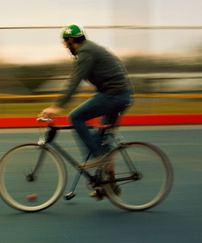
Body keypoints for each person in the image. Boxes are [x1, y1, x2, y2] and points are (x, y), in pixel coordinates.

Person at [40, 25, 133, 170]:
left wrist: (56, 106)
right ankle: (109, 185)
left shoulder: (85, 52)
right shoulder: (90, 49)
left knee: (76, 117)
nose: (65, 46)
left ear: (71, 39)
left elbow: (74, 82)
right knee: (101, 139)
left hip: (114, 95)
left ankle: (98, 158)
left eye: (65, 42)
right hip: (121, 95)